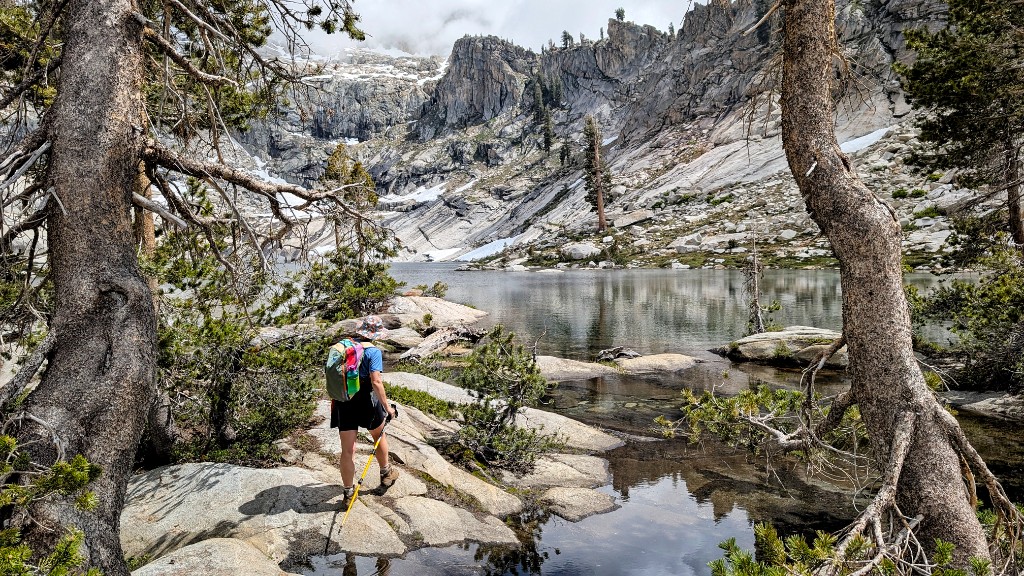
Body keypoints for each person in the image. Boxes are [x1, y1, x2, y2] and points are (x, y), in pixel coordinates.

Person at [330, 315, 399, 505]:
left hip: (344, 400)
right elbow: (376, 381)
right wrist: (387, 408)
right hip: (366, 401)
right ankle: (386, 473)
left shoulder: (343, 346)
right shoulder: (373, 352)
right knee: (378, 436)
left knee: (347, 450)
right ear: (375, 334)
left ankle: (348, 492)